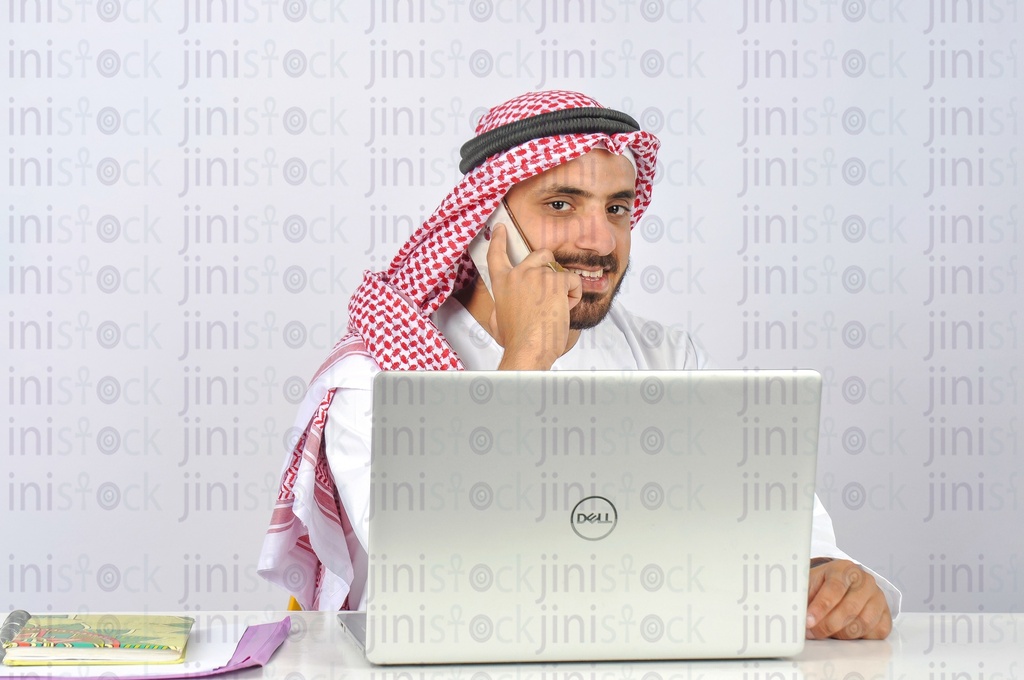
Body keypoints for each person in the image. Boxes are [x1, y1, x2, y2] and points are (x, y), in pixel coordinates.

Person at [258, 90, 899, 640]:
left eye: (617, 208)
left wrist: (827, 576)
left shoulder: (668, 360)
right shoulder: (375, 378)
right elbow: (438, 570)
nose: (600, 240)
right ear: (487, 225)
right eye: (561, 205)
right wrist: (528, 359)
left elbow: (773, 521)